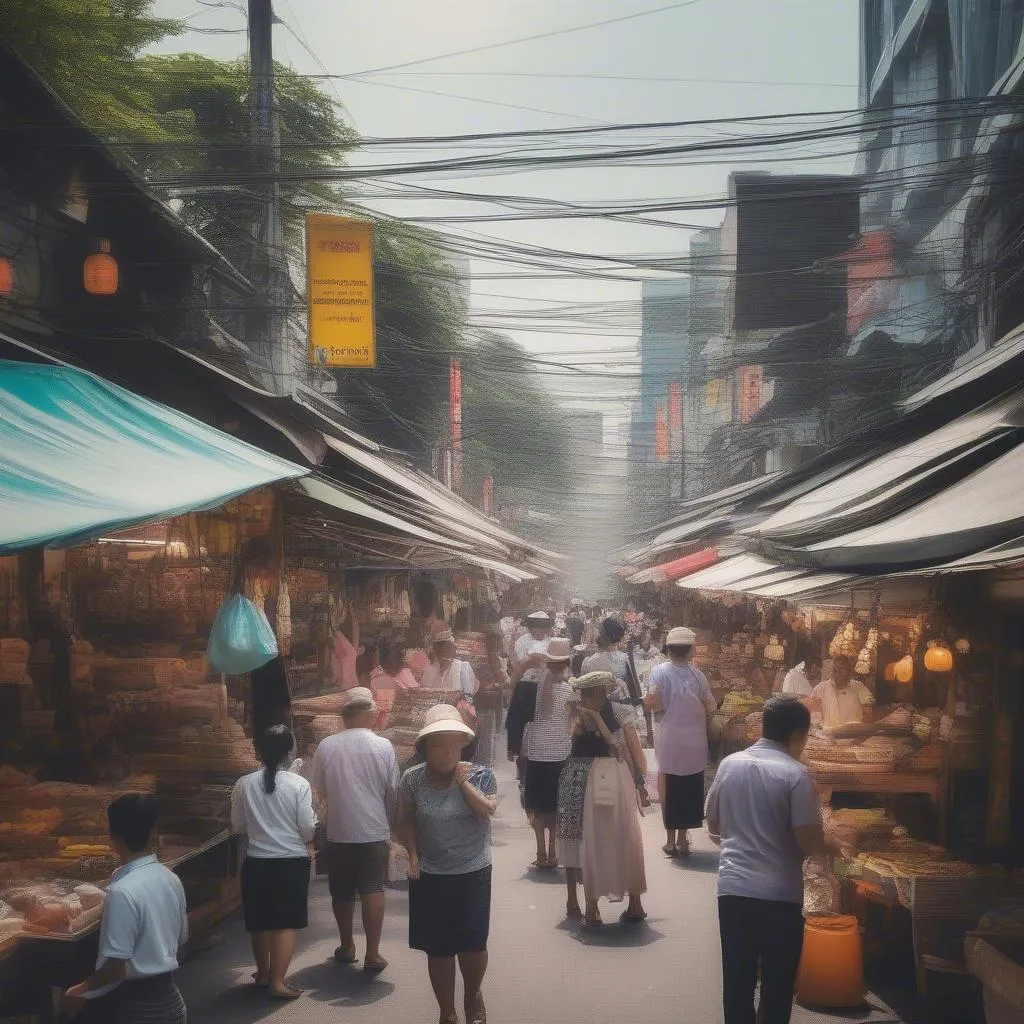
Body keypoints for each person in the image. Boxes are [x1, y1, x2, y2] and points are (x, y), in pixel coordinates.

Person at [705, 695, 840, 1024]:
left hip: (734, 891)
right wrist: (832, 845)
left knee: (737, 983)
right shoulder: (796, 775)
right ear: (798, 735)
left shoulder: (730, 765)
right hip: (780, 897)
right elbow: (808, 840)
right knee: (777, 986)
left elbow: (713, 823)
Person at [398, 705, 497, 1024]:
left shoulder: (480, 773)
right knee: (438, 947)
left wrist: (462, 782)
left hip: (473, 869)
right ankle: (447, 1011)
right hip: (430, 872)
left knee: (472, 942)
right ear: (425, 748)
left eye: (453, 745)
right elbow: (406, 821)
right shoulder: (412, 779)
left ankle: (473, 994)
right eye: (439, 745)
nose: (446, 752)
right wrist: (413, 854)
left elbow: (486, 810)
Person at [62, 794, 188, 1024]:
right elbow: (181, 938)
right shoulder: (170, 877)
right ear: (153, 832)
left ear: (112, 837)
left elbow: (116, 968)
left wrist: (80, 991)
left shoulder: (121, 892)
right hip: (171, 1003)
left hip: (139, 1010)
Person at [310, 687, 398, 972]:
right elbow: (391, 791)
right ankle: (373, 953)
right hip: (374, 829)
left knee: (342, 892)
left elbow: (319, 789)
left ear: (345, 716)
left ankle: (347, 945)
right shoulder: (383, 746)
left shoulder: (327, 746)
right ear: (369, 714)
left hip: (339, 830)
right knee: (373, 888)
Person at [230, 726, 316, 1000]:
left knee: (261, 921)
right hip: (290, 863)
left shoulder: (244, 783)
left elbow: (237, 825)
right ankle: (278, 982)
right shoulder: (298, 784)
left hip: (256, 862)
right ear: (289, 752)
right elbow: (307, 830)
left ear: (259, 750)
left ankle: (263, 973)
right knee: (285, 923)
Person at [558, 671, 647, 926]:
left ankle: (589, 903)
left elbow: (619, 748)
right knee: (587, 837)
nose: (586, 697)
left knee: (608, 836)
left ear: (599, 692)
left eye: (590, 693)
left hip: (597, 778)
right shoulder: (578, 713)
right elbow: (625, 750)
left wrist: (596, 718)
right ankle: (587, 902)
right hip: (592, 778)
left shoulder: (611, 712)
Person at [644, 626, 717, 858]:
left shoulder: (658, 672)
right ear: (690, 650)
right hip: (694, 742)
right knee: (689, 787)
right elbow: (711, 706)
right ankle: (684, 838)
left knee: (669, 785)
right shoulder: (698, 675)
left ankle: (670, 840)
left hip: (669, 740)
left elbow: (653, 703)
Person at [522, 638, 573, 869]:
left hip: (536, 753)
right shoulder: (570, 688)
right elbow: (571, 724)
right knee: (554, 805)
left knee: (535, 804)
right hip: (560, 754)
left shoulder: (531, 683)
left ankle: (541, 851)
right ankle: (552, 851)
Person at [808, 654, 875, 729]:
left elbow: (869, 711)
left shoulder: (859, 687)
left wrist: (867, 711)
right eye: (836, 671)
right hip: (828, 737)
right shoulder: (820, 689)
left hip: (853, 736)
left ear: (850, 673)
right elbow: (813, 718)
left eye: (843, 671)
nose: (838, 675)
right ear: (833, 671)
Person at [421, 631, 478, 696]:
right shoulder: (429, 670)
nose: (446, 654)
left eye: (450, 648)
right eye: (442, 651)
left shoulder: (463, 667)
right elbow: (424, 694)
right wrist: (441, 672)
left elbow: (468, 696)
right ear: (436, 652)